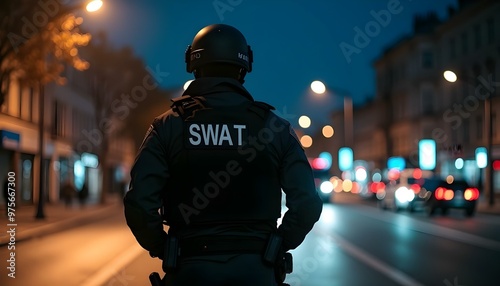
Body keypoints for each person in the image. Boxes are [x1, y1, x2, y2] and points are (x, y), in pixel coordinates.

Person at [123, 23, 323, 286]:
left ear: (193, 64)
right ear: (244, 67)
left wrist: (165, 248)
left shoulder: (168, 126)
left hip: (189, 270)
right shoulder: (274, 128)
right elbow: (307, 203)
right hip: (258, 270)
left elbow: (139, 203)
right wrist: (277, 245)